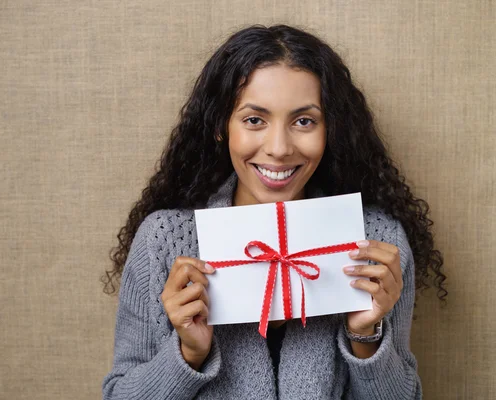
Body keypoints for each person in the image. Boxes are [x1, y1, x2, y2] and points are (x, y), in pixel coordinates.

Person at [101, 24, 446, 399]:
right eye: (254, 120)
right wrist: (188, 352)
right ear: (221, 127)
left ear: (331, 130)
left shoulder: (378, 242)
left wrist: (365, 335)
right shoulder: (163, 240)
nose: (279, 148)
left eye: (304, 121)